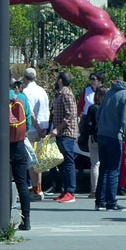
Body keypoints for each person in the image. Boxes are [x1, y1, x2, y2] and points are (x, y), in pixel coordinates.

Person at [95, 70, 126, 212]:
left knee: (103, 169)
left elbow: (99, 113)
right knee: (113, 169)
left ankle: (100, 201)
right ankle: (111, 202)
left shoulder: (109, 92)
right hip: (114, 136)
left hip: (102, 134)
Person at [5, 85, 33, 230]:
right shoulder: (22, 99)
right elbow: (28, 123)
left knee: (5, 184)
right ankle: (26, 220)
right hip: (19, 145)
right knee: (22, 183)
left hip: (3, 148)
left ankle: (5, 219)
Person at [21, 66, 50, 197]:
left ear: (24, 78)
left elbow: (30, 113)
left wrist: (37, 128)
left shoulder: (27, 92)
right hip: (44, 126)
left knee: (31, 161)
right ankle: (38, 187)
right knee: (38, 160)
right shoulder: (42, 90)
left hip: (33, 128)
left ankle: (36, 190)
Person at [51, 72, 79, 203]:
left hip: (66, 133)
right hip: (62, 133)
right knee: (62, 163)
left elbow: (71, 114)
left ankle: (70, 191)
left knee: (68, 162)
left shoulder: (67, 94)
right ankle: (65, 189)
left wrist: (58, 128)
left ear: (60, 81)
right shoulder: (61, 94)